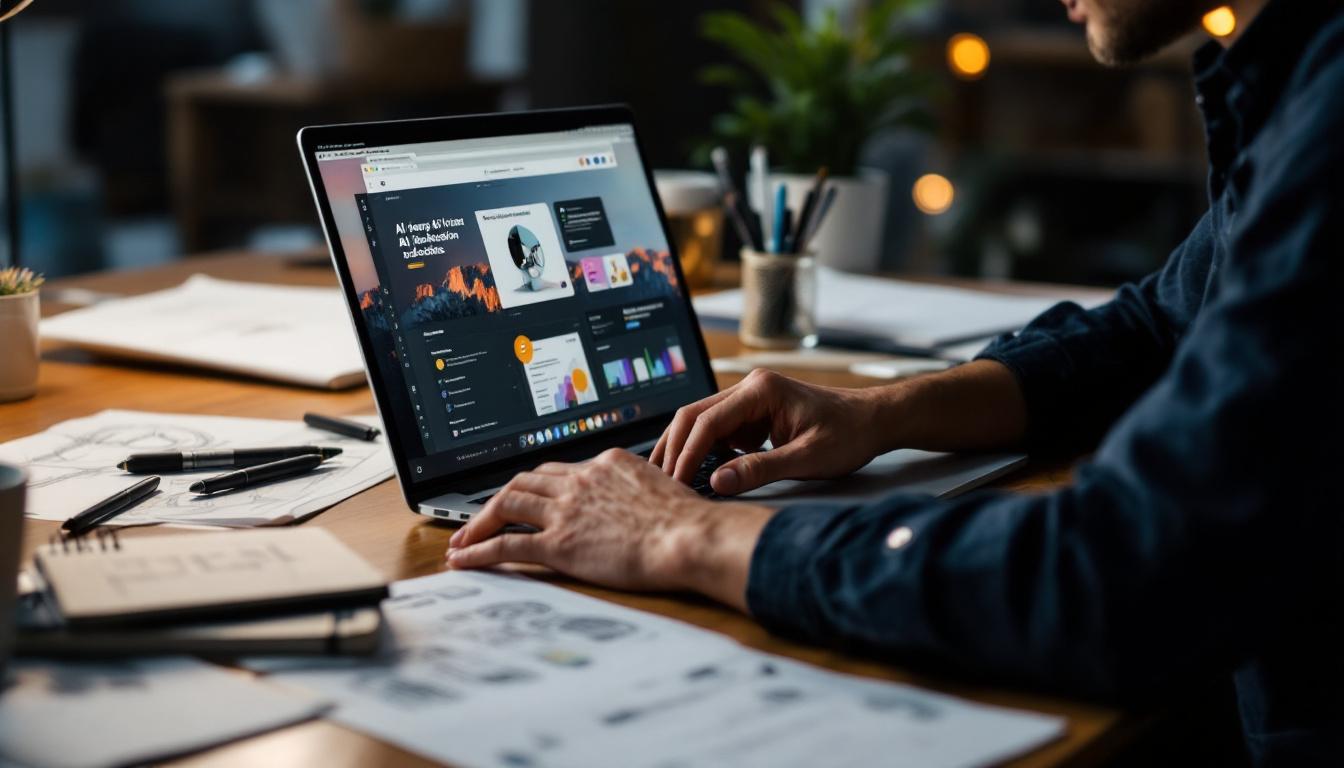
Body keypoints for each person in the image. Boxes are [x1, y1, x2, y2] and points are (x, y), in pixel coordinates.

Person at [447, 0, 1344, 762]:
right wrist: (883, 414)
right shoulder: (1299, 78)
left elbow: (1118, 573)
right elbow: (1159, 323)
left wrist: (687, 537)